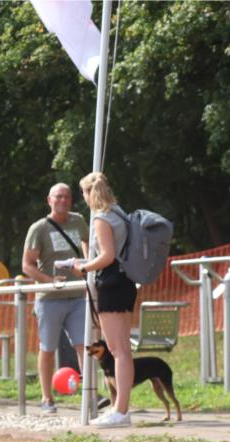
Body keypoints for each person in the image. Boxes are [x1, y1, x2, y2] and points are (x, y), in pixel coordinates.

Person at [74, 172, 136, 428]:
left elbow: (107, 255)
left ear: (90, 194)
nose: (84, 199)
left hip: (111, 283)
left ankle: (120, 411)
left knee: (117, 350)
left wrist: (84, 267)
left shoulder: (101, 218)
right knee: (124, 350)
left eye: (84, 194)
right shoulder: (120, 213)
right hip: (126, 281)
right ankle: (121, 407)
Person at [22, 183, 89, 414]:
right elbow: (27, 265)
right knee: (48, 348)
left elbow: (89, 243)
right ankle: (46, 398)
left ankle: (89, 394)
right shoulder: (39, 228)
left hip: (78, 295)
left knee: (84, 345)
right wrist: (49, 281)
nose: (63, 201)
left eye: (67, 197)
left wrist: (87, 263)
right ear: (49, 200)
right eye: (58, 197)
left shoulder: (78, 221)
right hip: (50, 298)